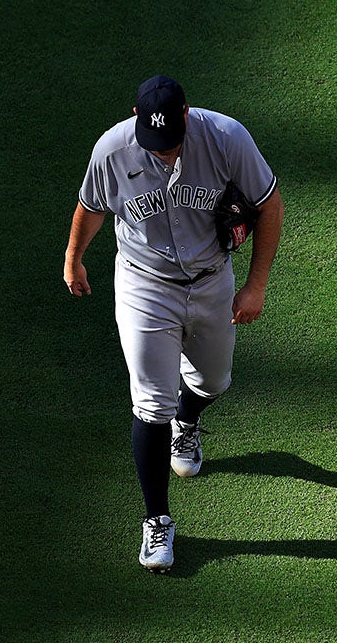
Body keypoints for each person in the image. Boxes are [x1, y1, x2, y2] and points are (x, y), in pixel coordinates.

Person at [63, 75, 283, 572]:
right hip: (145, 284)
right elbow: (91, 205)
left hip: (211, 281)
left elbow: (269, 205)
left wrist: (256, 286)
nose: (163, 155)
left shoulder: (227, 138)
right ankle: (157, 520)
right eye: (153, 144)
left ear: (186, 115)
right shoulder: (113, 148)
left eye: (172, 143)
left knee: (213, 381)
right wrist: (74, 258)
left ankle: (190, 419)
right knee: (149, 404)